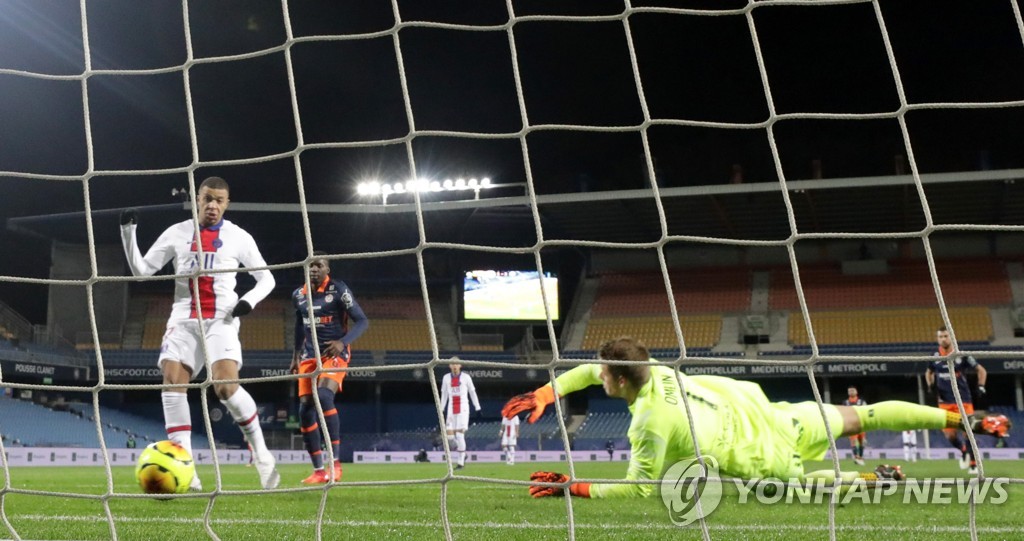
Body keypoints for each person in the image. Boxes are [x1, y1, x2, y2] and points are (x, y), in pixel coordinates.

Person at [502, 336, 1011, 499]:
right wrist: (551, 389)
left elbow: (639, 488)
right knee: (865, 416)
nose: (600, 378)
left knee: (806, 486)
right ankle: (960, 419)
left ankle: (871, 479)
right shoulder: (652, 370)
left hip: (766, 458)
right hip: (779, 415)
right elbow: (593, 368)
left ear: (617, 381)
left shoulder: (647, 423)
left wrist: (573, 486)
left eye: (605, 376)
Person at [120, 176, 279, 491]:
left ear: (227, 204)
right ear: (197, 199)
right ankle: (187, 469)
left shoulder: (238, 237)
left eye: (219, 200)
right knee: (172, 379)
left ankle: (262, 456)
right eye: (207, 198)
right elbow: (141, 271)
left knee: (224, 388)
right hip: (183, 318)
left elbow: (267, 279)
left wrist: (247, 302)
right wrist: (129, 232)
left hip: (222, 318)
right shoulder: (177, 233)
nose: (213, 205)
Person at [291, 252, 369, 484]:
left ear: (327, 270)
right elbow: (299, 322)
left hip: (334, 352)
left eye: (319, 265)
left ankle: (335, 464)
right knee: (305, 411)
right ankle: (318, 470)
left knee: (324, 396)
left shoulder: (339, 290)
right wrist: (295, 354)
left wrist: (342, 342)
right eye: (310, 266)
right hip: (308, 355)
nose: (314, 269)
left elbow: (362, 320)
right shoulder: (298, 294)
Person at [926, 325, 990, 475]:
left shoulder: (962, 355)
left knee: (969, 433)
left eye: (946, 336)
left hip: (963, 401)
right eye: (940, 336)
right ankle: (964, 452)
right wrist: (930, 386)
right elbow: (928, 372)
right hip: (944, 402)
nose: (943, 339)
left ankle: (974, 464)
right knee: (950, 435)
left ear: (951, 337)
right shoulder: (934, 356)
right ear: (937, 339)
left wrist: (981, 386)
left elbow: (981, 370)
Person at [440, 361, 481, 469]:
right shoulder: (446, 378)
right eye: (452, 364)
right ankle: (463, 453)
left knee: (459, 435)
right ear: (449, 366)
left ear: (460, 365)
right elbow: (444, 394)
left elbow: (472, 392)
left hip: (463, 408)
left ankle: (460, 461)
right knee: (449, 437)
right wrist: (441, 408)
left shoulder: (466, 377)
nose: (454, 366)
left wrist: (477, 407)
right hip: (451, 408)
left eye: (456, 364)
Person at [842, 386, 867, 465]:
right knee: (853, 441)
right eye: (850, 391)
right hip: (851, 425)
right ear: (848, 392)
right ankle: (856, 457)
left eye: (853, 390)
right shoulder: (845, 402)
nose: (851, 392)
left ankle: (861, 457)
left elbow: (866, 411)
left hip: (861, 424)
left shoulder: (861, 401)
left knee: (862, 442)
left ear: (856, 392)